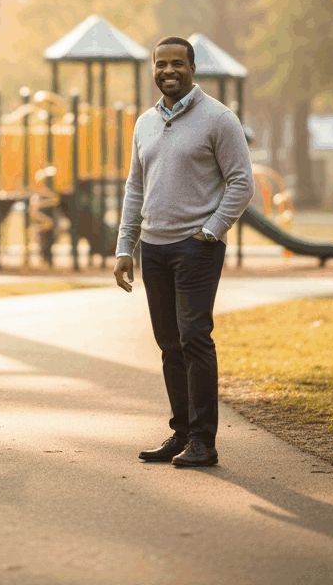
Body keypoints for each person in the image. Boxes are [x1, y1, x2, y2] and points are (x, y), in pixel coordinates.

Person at [114, 36, 254, 469]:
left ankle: (204, 441)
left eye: (177, 63)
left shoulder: (218, 118)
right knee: (169, 343)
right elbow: (135, 188)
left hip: (197, 248)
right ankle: (181, 433)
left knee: (194, 338)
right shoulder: (144, 123)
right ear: (153, 69)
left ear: (193, 68)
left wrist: (211, 232)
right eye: (161, 64)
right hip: (153, 249)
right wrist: (125, 247)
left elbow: (241, 182)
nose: (168, 71)